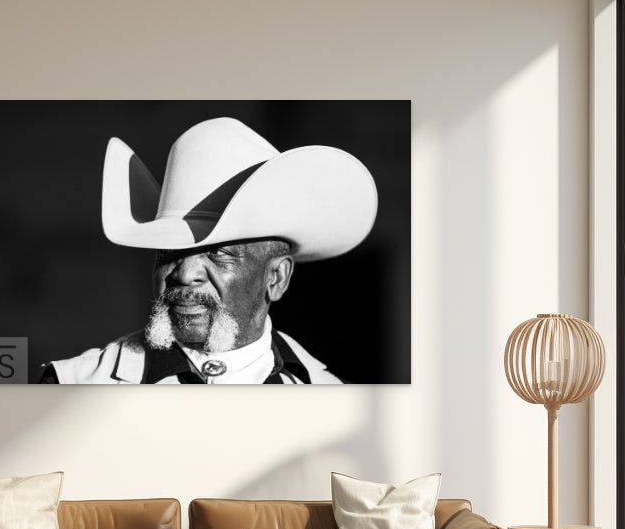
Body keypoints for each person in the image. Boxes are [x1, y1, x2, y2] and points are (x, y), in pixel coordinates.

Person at [38, 116, 377, 384]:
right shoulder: (69, 384)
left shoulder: (331, 400)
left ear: (277, 277)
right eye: (169, 251)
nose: (185, 274)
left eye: (218, 253)